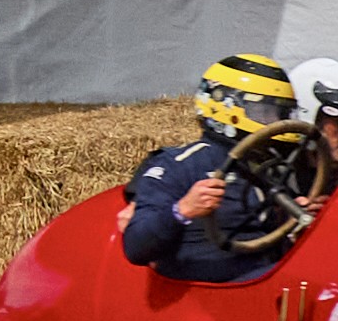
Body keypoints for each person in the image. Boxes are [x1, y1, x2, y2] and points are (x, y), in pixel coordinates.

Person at [122, 52, 306, 283]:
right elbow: (136, 247)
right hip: (209, 297)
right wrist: (183, 209)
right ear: (228, 107)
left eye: (279, 113)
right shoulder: (180, 166)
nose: (275, 121)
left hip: (268, 285)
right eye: (265, 112)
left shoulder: (273, 168)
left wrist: (296, 225)